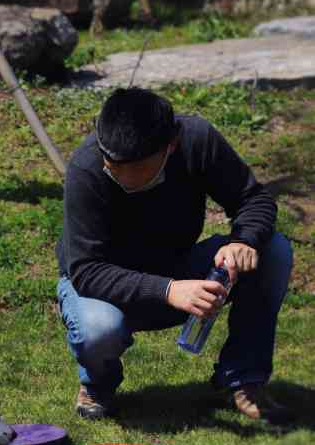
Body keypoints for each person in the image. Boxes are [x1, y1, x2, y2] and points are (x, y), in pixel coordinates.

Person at [56, 87, 293, 423]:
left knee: (273, 250)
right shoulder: (86, 168)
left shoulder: (198, 140)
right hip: (103, 287)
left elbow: (253, 200)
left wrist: (243, 241)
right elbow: (87, 270)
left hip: (177, 266)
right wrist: (168, 290)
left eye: (136, 167)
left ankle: (244, 379)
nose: (121, 175)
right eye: (113, 166)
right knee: (98, 328)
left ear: (171, 145)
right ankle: (98, 384)